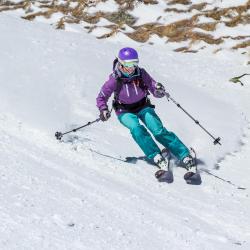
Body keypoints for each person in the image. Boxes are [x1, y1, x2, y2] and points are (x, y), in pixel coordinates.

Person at [96, 47, 195, 180]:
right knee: (136, 129)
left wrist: (159, 90)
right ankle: (156, 156)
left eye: (135, 63)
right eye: (128, 65)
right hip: (124, 110)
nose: (132, 68)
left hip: (143, 106)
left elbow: (153, 87)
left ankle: (185, 155)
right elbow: (101, 97)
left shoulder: (141, 73)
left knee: (158, 130)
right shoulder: (114, 80)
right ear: (120, 63)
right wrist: (103, 109)